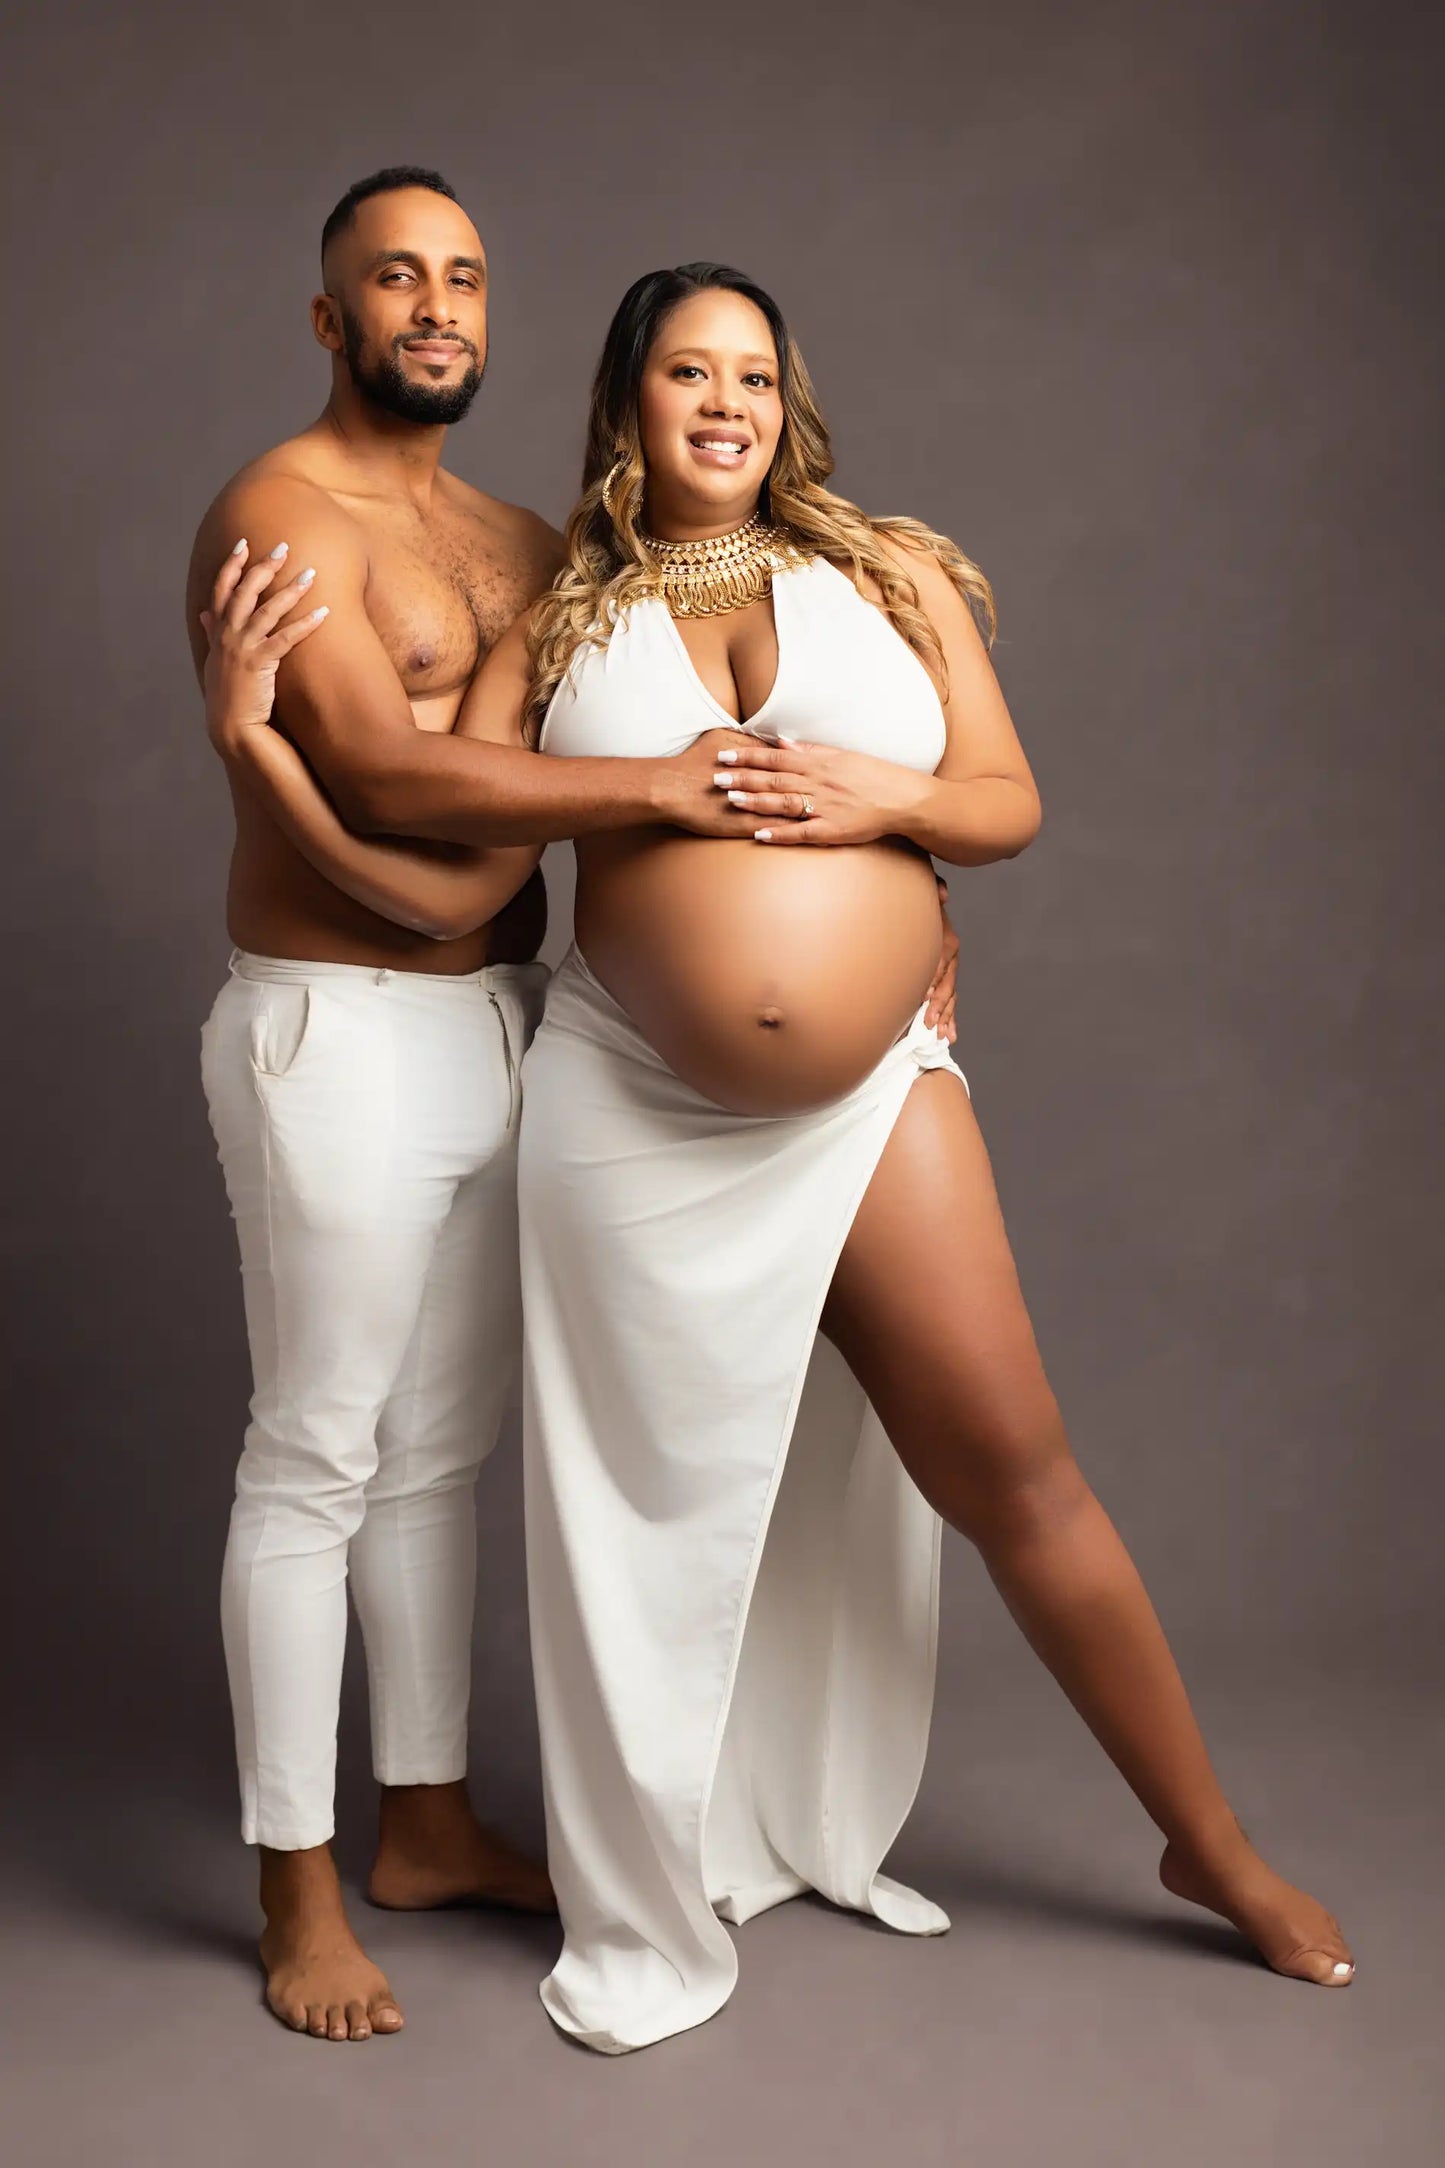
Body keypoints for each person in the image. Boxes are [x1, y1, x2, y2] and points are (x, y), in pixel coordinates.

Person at [206, 260, 1350, 2058]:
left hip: (871, 1093)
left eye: (751, 372)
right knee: (633, 1527)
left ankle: (1206, 1844)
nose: (722, 401)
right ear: (630, 403)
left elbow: (1003, 799)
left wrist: (887, 809)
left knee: (1016, 1469)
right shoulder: (558, 623)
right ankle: (632, 1861)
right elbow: (446, 880)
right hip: (624, 1113)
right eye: (686, 371)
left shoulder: (889, 575)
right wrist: (257, 756)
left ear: (784, 401)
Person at [191, 182, 962, 2048]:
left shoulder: (526, 542)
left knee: (441, 1455)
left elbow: (492, 868)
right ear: (329, 317)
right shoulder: (280, 513)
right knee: (316, 1454)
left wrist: (915, 900)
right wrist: (257, 753)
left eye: (461, 277)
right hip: (336, 1029)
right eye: (394, 277)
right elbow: (391, 777)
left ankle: (428, 1823)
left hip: (504, 1021)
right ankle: (296, 1887)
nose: (435, 306)